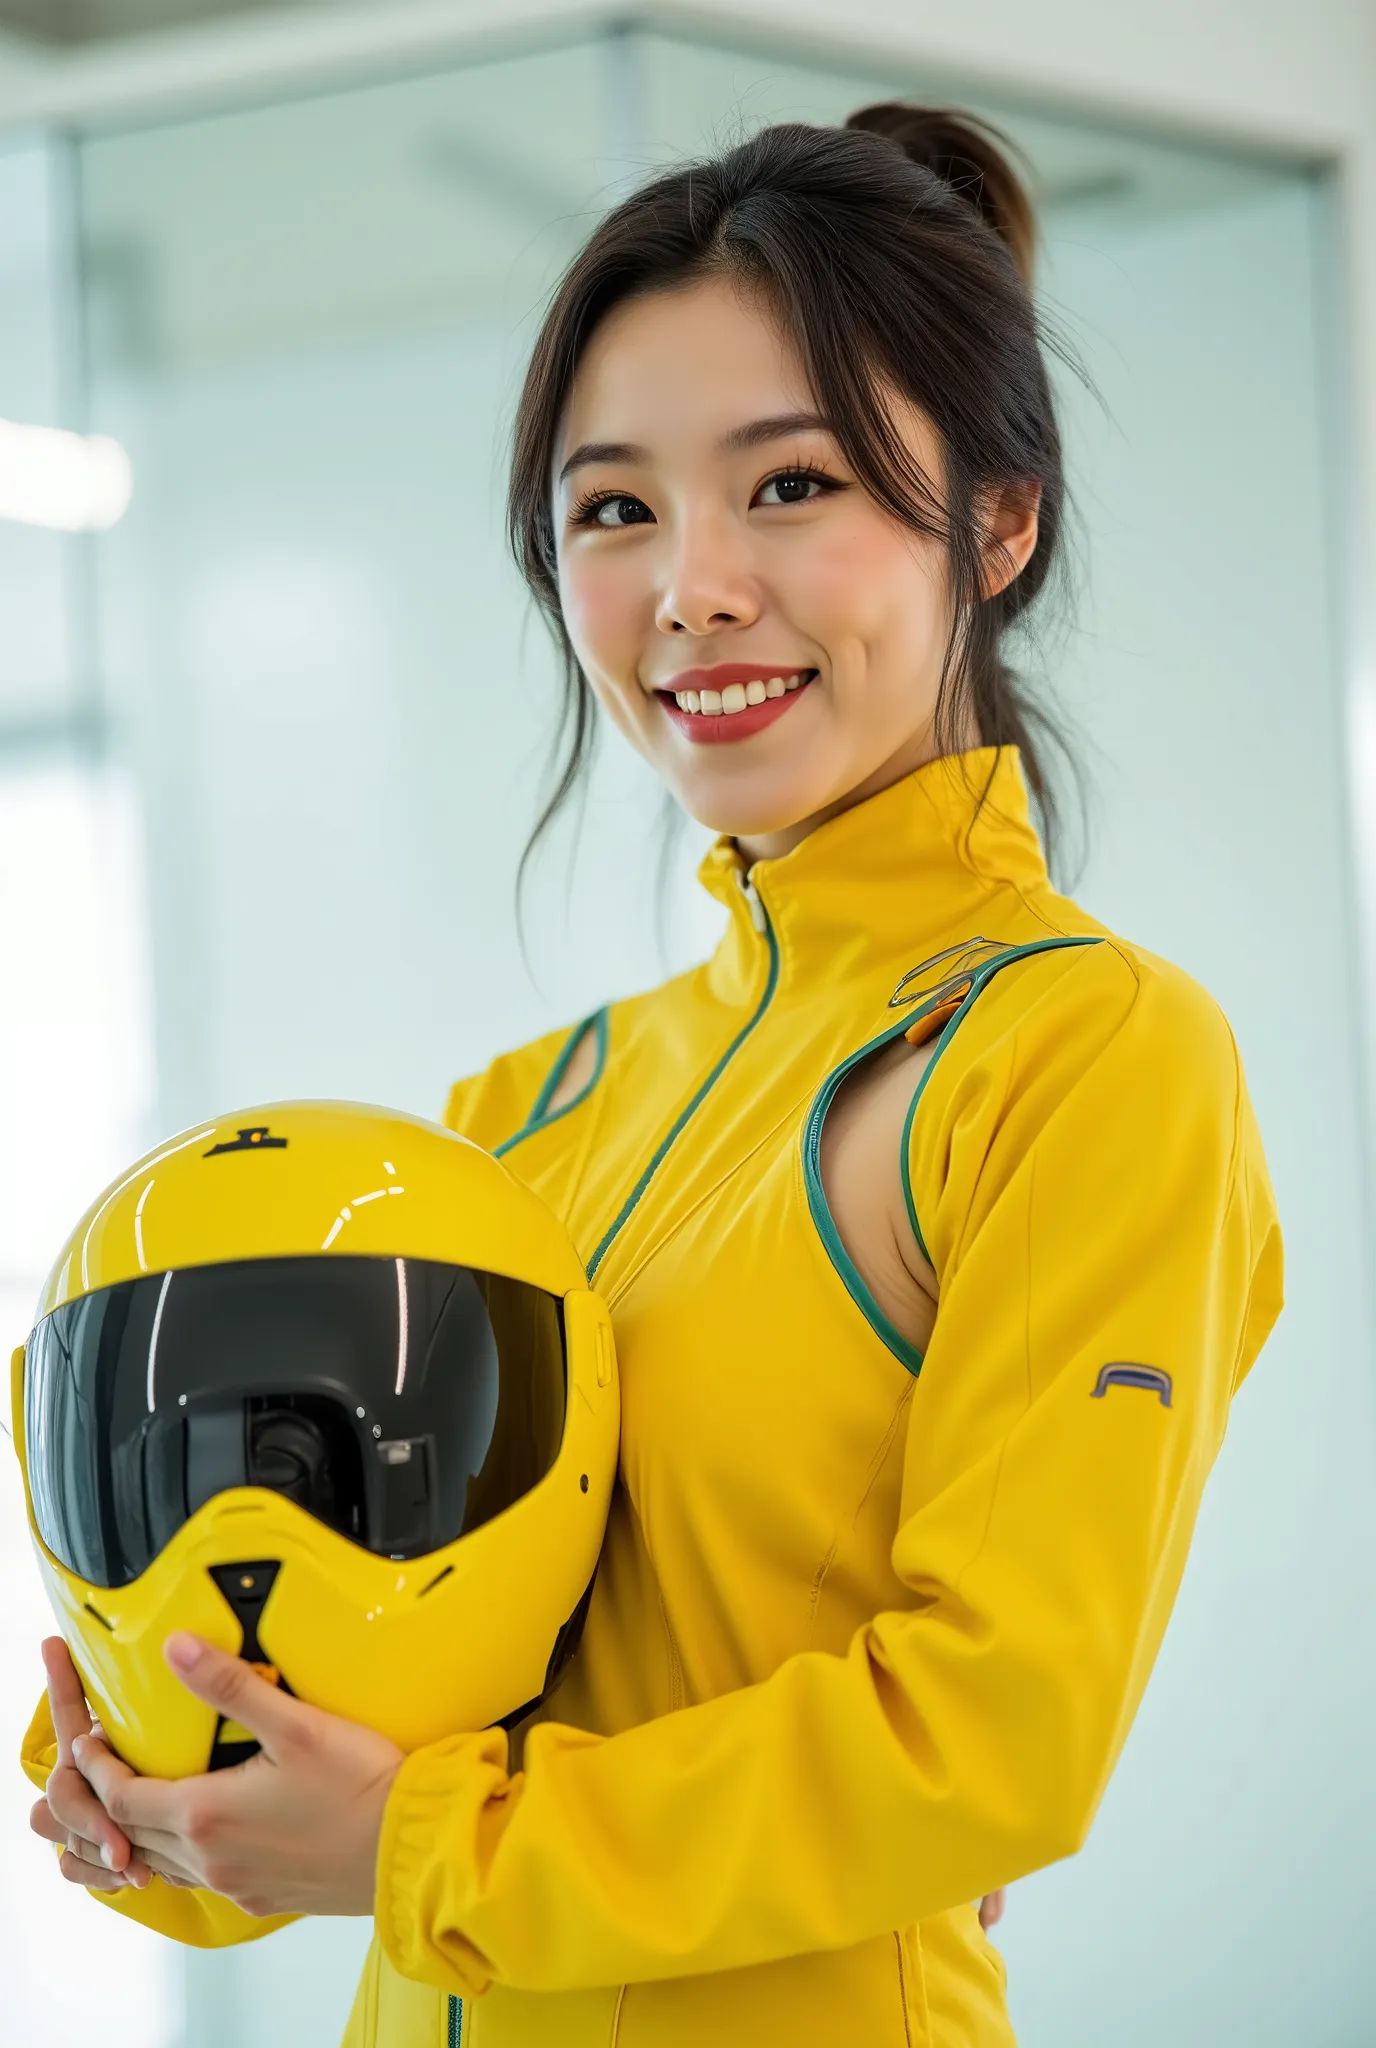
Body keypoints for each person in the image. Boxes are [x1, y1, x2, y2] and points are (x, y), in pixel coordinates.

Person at [26, 105, 1283, 2048]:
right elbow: (396, 1723)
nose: (689, 588)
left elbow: (992, 1741)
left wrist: (425, 1845)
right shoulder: (523, 1114)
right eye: (614, 509)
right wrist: (167, 1776)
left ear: (1001, 521)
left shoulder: (1076, 1054)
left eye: (788, 486)